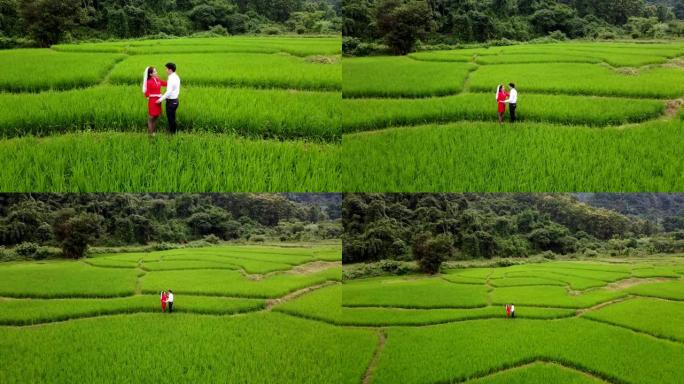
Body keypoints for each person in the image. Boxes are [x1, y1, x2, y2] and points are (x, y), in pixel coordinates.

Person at [156, 62, 181, 134]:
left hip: (171, 102)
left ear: (170, 70)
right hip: (175, 101)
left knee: (171, 119)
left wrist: (160, 100)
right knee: (172, 118)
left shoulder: (171, 79)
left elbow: (169, 92)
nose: (165, 70)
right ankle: (174, 132)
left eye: (166, 69)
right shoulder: (176, 76)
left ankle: (172, 134)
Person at [143, 66, 167, 136]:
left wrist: (172, 81)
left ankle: (153, 132)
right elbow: (146, 93)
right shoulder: (148, 82)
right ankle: (150, 134)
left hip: (158, 101)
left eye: (156, 71)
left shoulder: (157, 79)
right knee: (151, 117)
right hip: (153, 101)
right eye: (154, 72)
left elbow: (165, 84)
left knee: (156, 116)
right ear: (150, 74)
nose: (156, 72)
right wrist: (156, 96)